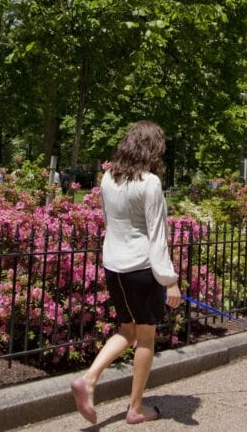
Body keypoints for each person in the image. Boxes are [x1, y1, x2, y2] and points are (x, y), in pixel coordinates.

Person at [70, 121, 181, 425]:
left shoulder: (108, 177)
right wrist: (170, 281)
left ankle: (89, 379)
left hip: (114, 265)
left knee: (126, 330)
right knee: (145, 337)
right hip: (141, 268)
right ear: (153, 148)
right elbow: (158, 236)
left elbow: (109, 221)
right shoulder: (150, 183)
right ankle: (135, 408)